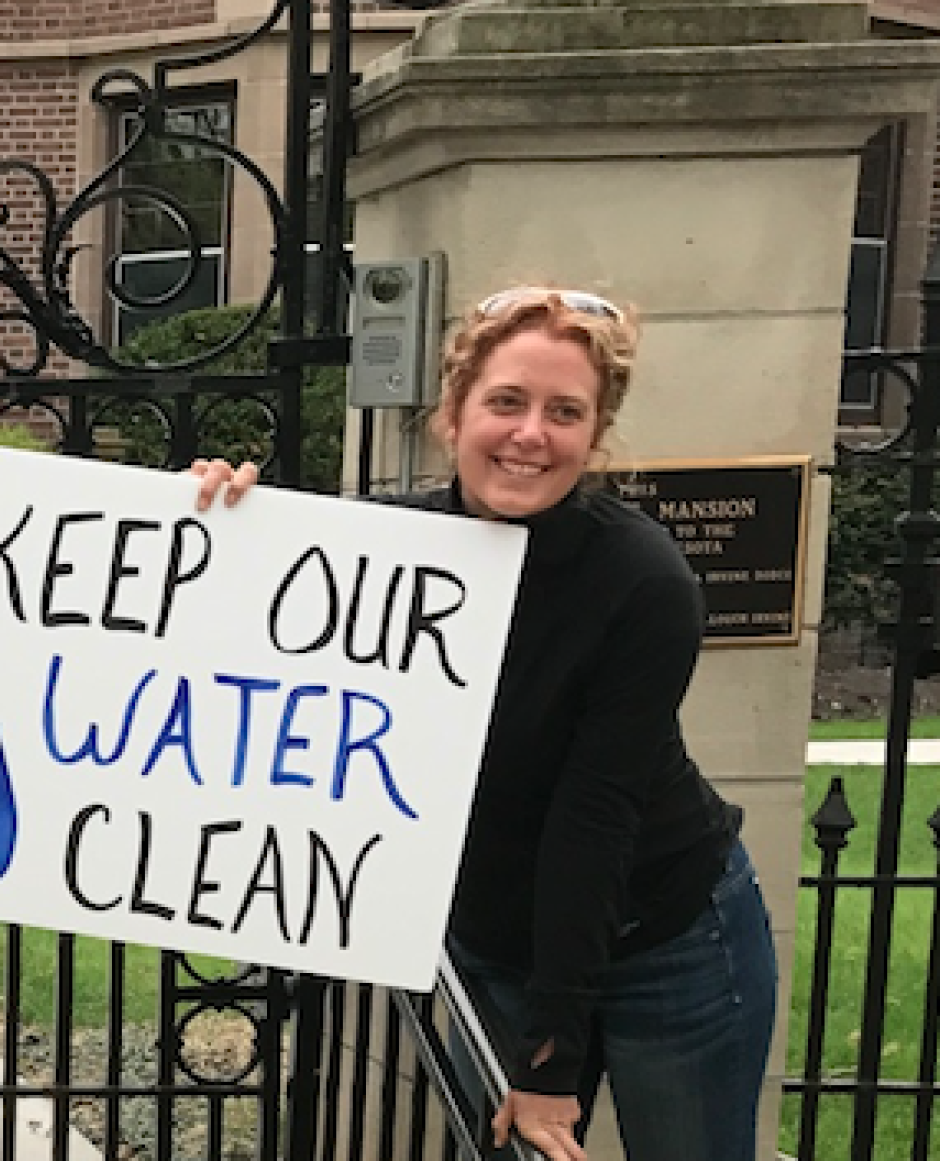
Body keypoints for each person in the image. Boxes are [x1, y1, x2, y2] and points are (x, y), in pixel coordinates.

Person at [191, 285, 777, 1161]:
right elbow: (227, 635)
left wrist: (549, 1060)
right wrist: (215, 520)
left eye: (564, 412)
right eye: (506, 401)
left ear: (594, 433)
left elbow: (594, 819)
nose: (530, 434)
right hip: (496, 941)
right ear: (452, 414)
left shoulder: (644, 579)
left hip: (668, 933)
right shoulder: (383, 551)